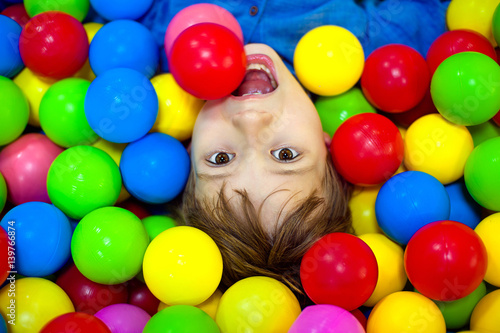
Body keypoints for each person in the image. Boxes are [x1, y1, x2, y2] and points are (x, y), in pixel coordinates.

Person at [147, 0, 451, 304]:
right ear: (330, 149)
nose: (251, 119)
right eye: (285, 155)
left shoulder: (158, 40)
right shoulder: (381, 48)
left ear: (186, 153)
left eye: (221, 159)